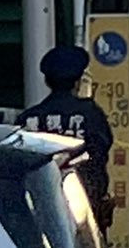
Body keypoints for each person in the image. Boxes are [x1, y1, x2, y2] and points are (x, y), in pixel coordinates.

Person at [19, 46, 116, 236]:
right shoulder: (90, 114)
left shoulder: (29, 119)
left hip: (41, 209)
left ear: (47, 80)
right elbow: (102, 151)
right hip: (86, 205)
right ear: (78, 81)